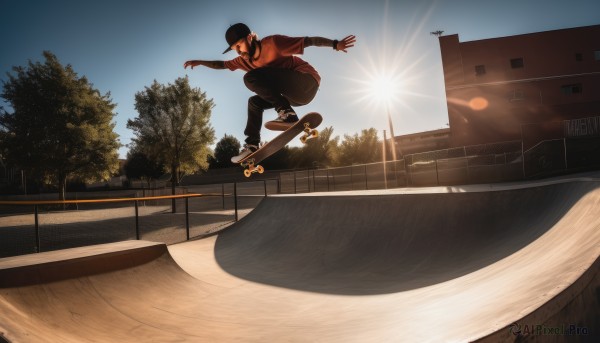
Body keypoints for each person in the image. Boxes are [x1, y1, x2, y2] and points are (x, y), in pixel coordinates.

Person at [184, 23, 356, 162]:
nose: (238, 51)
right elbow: (221, 65)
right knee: (254, 102)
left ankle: (286, 113)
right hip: (293, 97)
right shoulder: (243, 60)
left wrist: (335, 44)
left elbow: (308, 41)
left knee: (251, 77)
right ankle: (252, 144)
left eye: (239, 45)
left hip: (307, 82)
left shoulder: (273, 44)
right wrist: (200, 62)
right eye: (234, 48)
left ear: (250, 38)